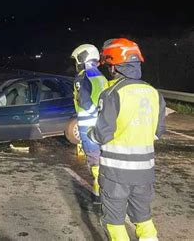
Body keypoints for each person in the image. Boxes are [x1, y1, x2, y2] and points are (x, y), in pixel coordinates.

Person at [88, 38, 165, 241]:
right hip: (144, 174)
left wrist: (90, 134)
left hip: (116, 175)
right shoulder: (154, 93)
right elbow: (158, 132)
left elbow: (102, 134)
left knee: (113, 221)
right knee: (143, 218)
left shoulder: (112, 94)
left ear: (114, 66)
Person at [71, 44, 108, 199]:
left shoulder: (82, 76)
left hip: (88, 125)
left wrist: (93, 114)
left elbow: (84, 100)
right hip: (103, 125)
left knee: (94, 160)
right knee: (105, 158)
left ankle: (99, 191)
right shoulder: (101, 76)